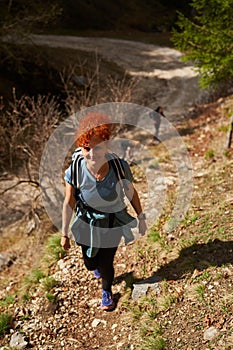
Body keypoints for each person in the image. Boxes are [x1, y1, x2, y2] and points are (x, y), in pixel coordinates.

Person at [61, 112, 147, 311]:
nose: (91, 154)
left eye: (97, 148)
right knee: (90, 263)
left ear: (107, 146)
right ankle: (96, 269)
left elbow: (131, 193)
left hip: (112, 221)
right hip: (86, 220)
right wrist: (64, 233)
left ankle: (107, 291)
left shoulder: (119, 167)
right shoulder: (75, 169)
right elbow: (69, 201)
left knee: (106, 261)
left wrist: (141, 218)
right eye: (86, 148)